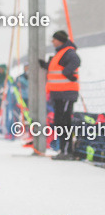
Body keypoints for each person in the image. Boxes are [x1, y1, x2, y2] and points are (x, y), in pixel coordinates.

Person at [39, 30, 81, 159]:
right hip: (58, 94)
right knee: (59, 122)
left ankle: (67, 151)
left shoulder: (68, 52)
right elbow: (57, 68)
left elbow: (76, 61)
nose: (52, 42)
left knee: (64, 122)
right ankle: (64, 150)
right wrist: (45, 65)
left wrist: (67, 73)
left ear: (60, 40)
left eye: (54, 39)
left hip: (66, 93)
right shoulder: (60, 53)